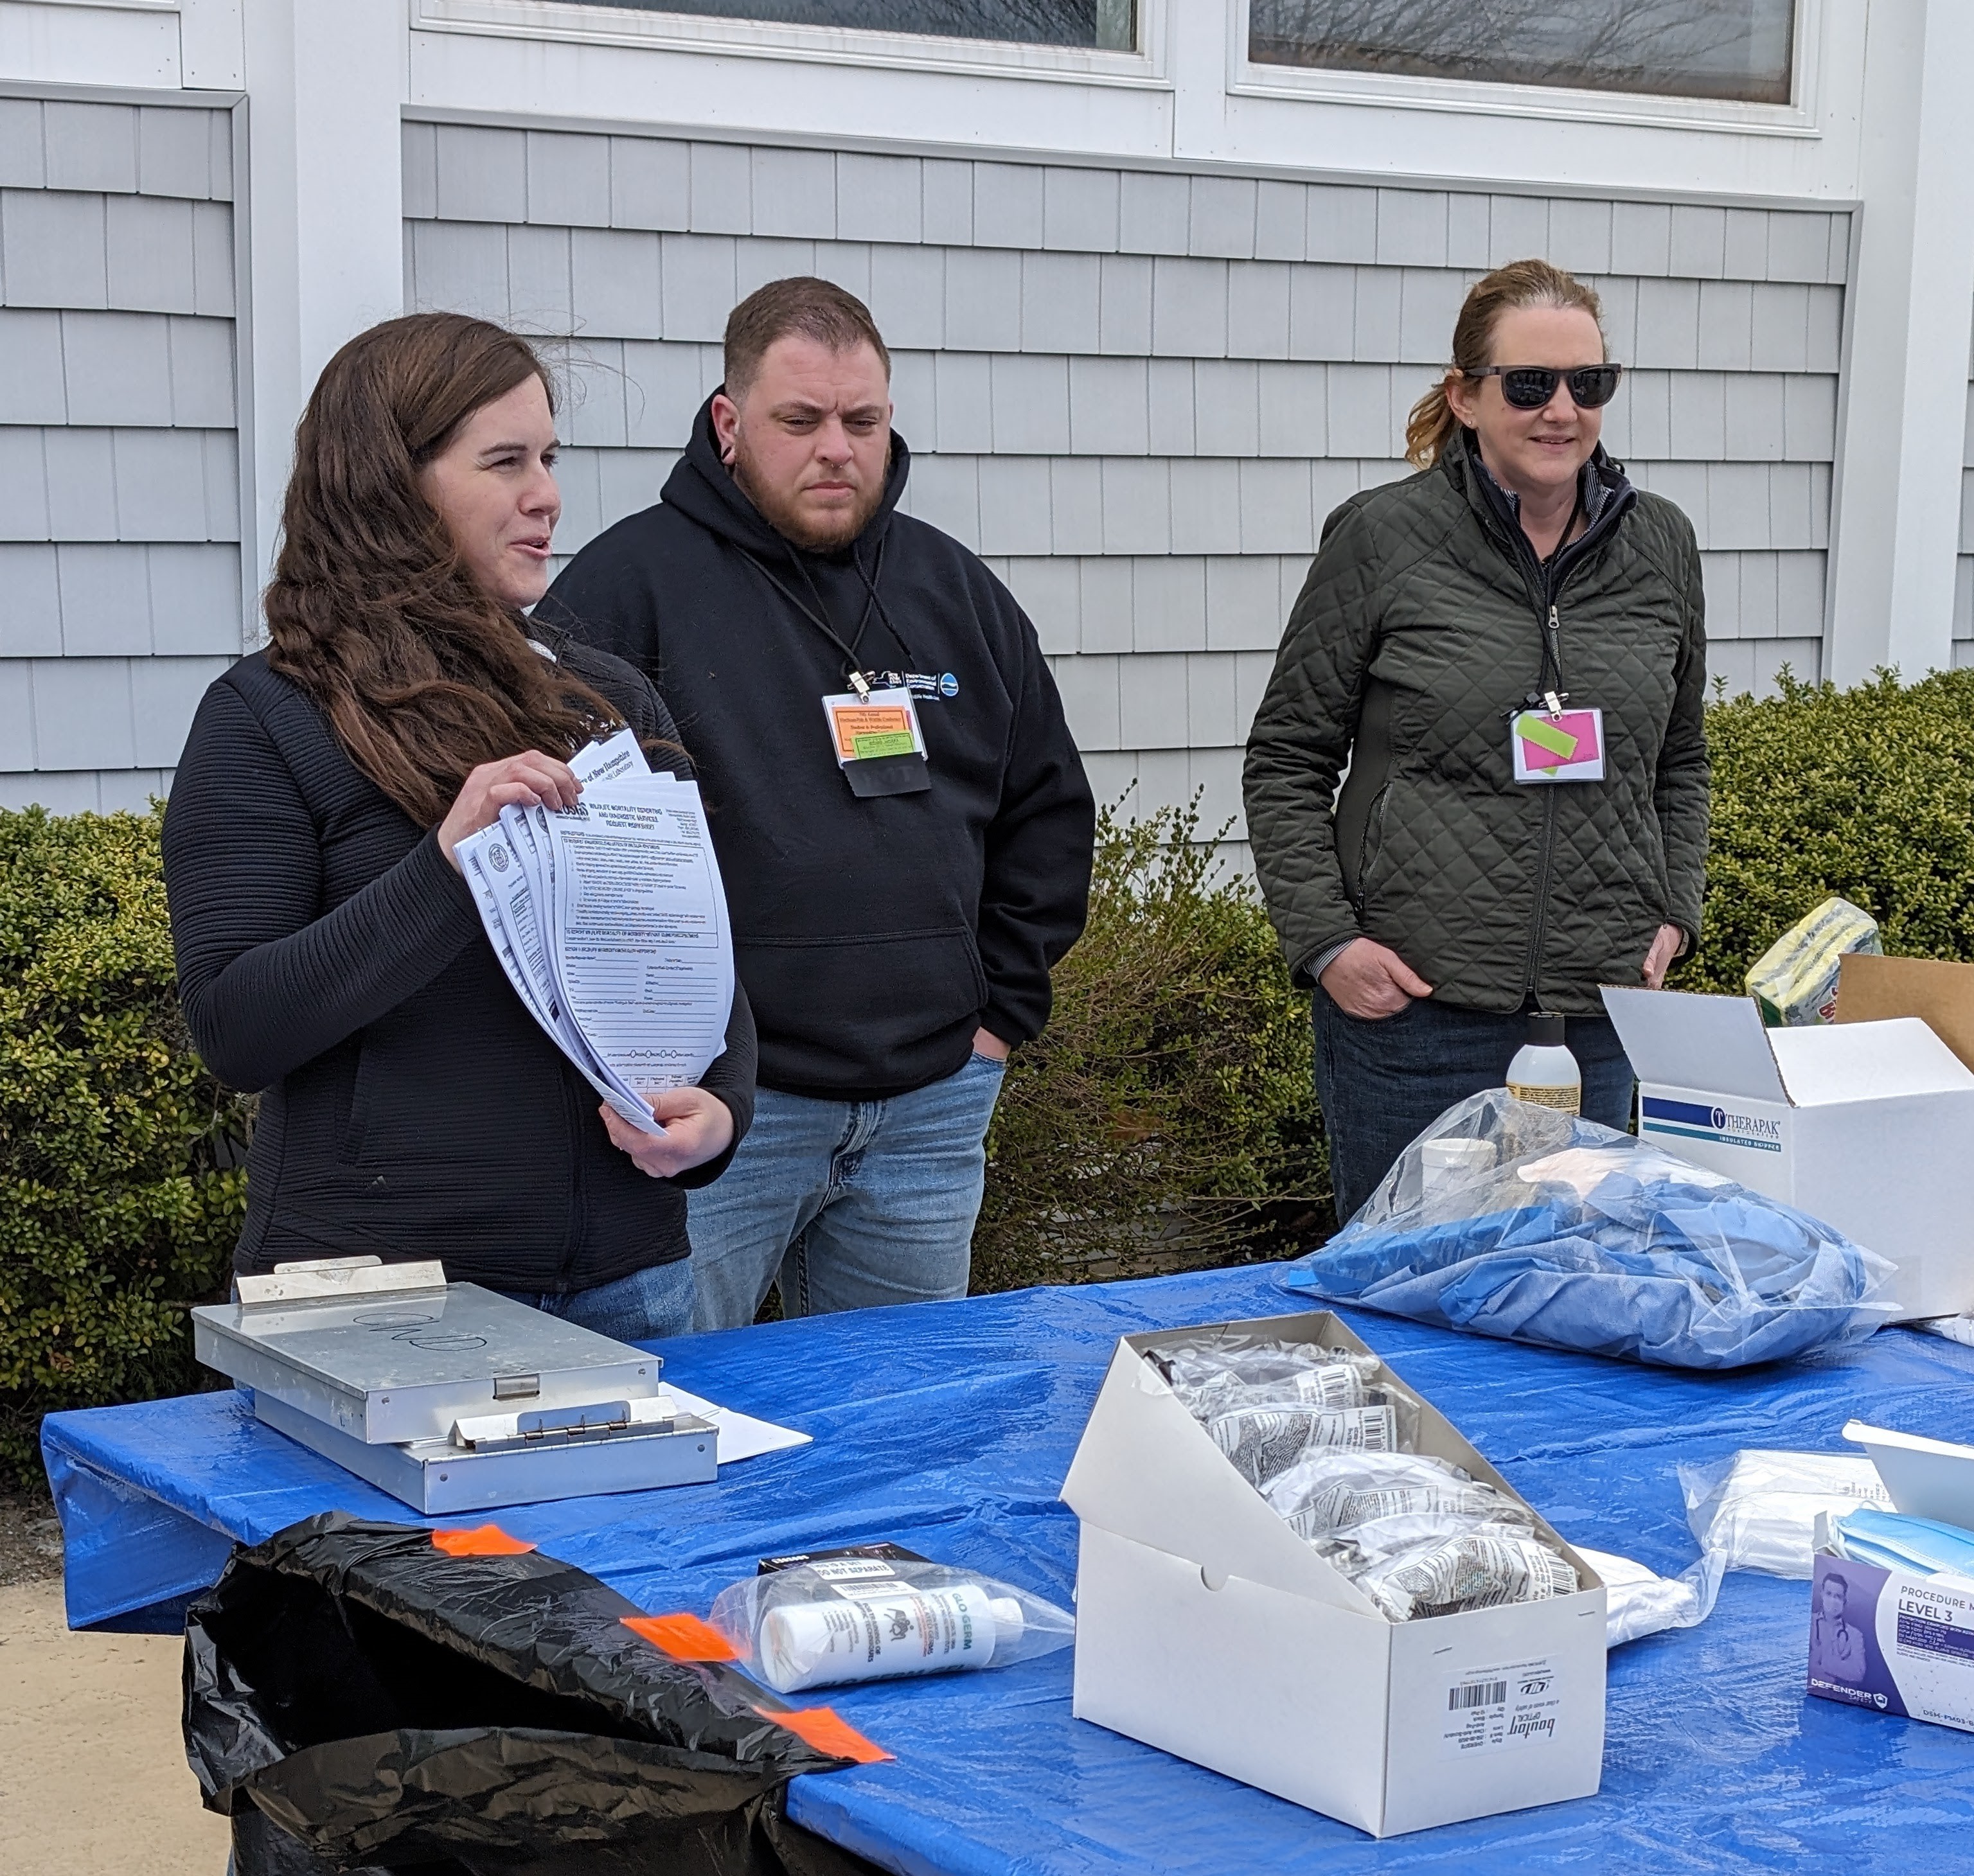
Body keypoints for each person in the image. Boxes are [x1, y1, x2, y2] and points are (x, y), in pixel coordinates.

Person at [162, 312, 754, 1341]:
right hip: (382, 1298)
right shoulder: (269, 715)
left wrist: (721, 1115)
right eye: (506, 461)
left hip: (629, 1281)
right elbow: (238, 1027)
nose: (547, 494)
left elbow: (696, 958)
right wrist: (450, 867)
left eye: (551, 457)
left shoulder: (605, 698)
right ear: (392, 488)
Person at [538, 276, 1094, 1329]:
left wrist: (1000, 1017)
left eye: (863, 421)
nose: (837, 448)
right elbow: (567, 857)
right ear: (730, 424)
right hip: (722, 1121)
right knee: (686, 1422)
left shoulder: (956, 592)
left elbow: (1049, 811)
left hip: (932, 1108)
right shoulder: (627, 593)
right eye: (801, 420)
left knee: (900, 1428)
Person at [1243, 258, 1708, 1223]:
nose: (1562, 410)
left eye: (1590, 384)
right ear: (1465, 396)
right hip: (1414, 1016)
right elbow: (1288, 757)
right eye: (1530, 385)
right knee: (1408, 1287)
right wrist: (1330, 944)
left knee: (1574, 1288)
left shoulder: (1661, 543)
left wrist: (1673, 911)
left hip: (1598, 1016)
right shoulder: (1383, 539)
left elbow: (1681, 759)